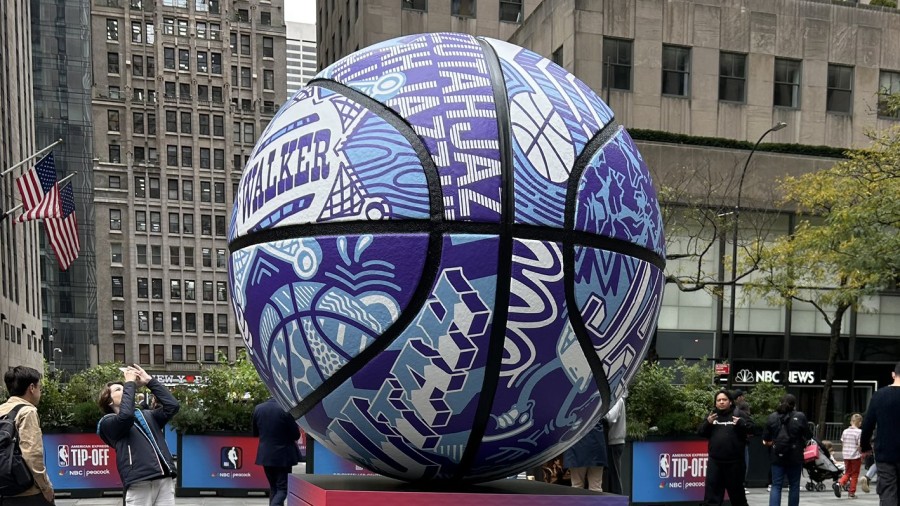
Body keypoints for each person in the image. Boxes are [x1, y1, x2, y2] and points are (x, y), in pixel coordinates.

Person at [96, 364, 179, 506]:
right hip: (139, 483)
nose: (126, 390)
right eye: (118, 389)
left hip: (164, 480)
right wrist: (129, 382)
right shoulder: (107, 423)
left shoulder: (147, 415)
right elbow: (125, 416)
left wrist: (149, 381)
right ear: (109, 401)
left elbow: (173, 406)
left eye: (125, 388)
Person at [0, 366, 55, 506]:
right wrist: (45, 487)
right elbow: (32, 454)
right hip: (27, 491)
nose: (40, 392)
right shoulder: (27, 411)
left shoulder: (2, 409)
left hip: (5, 489)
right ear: (31, 388)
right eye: (39, 388)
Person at [698, 389, 752, 506]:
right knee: (712, 498)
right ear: (715, 403)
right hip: (715, 462)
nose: (721, 402)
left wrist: (742, 423)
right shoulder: (712, 416)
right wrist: (708, 423)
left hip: (735, 463)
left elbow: (754, 429)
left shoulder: (739, 414)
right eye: (719, 400)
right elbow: (701, 432)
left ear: (730, 402)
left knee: (738, 497)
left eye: (724, 400)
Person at [860, 361, 900, 505]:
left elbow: (868, 424)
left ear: (893, 374)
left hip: (885, 452)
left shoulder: (879, 396)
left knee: (888, 491)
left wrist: (865, 446)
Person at [763, 393, 811, 506]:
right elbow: (808, 435)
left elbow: (766, 438)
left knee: (776, 485)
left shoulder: (772, 417)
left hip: (777, 455)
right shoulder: (800, 416)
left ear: (780, 402)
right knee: (794, 485)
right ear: (794, 405)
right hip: (795, 455)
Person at [252, 397, 302, 506]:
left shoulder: (258, 408)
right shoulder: (285, 409)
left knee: (274, 487)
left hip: (266, 455)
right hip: (284, 456)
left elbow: (255, 432)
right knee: (283, 489)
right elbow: (296, 435)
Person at [563, 420, 607, 492]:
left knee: (577, 486)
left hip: (576, 445)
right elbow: (610, 418)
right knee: (596, 487)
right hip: (596, 444)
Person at [835, 413, 863, 498]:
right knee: (855, 474)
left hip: (846, 455)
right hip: (855, 456)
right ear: (860, 423)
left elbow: (843, 443)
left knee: (847, 472)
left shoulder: (845, 431)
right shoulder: (859, 432)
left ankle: (839, 483)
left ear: (851, 421)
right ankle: (851, 493)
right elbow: (859, 445)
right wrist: (861, 453)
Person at [604, 392, 627, 494]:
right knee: (613, 476)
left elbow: (610, 417)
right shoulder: (618, 399)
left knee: (614, 477)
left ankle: (617, 500)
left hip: (614, 442)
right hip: (615, 441)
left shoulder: (617, 400)